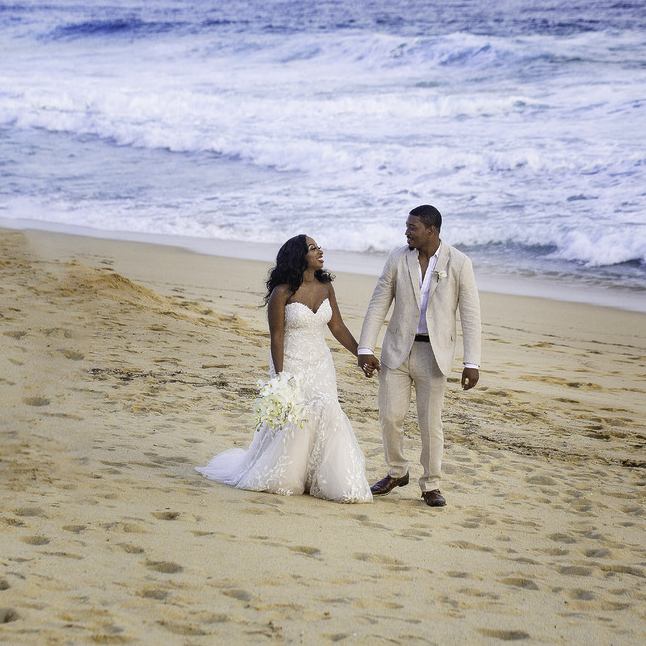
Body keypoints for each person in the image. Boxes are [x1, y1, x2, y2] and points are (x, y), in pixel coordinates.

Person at [197, 235, 373, 503]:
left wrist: (361, 353)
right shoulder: (282, 292)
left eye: (318, 247)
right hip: (291, 362)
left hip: (321, 362)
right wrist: (280, 380)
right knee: (295, 419)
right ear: (299, 256)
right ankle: (289, 476)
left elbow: (336, 326)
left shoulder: (326, 286)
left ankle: (320, 478)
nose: (320, 251)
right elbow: (276, 337)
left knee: (327, 412)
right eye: (313, 248)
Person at [357, 205, 481, 507]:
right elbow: (379, 302)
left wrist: (471, 362)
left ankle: (431, 485)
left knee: (430, 423)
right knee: (389, 416)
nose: (406, 232)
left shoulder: (460, 263)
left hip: (434, 354)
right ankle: (398, 471)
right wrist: (365, 348)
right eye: (406, 226)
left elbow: (470, 313)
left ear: (431, 231)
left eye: (412, 227)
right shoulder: (398, 258)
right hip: (396, 350)